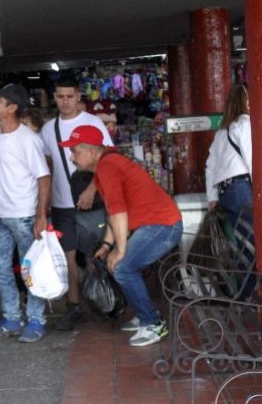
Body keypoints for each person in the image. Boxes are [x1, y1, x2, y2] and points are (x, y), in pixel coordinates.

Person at [60, 125, 182, 346]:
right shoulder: (102, 168)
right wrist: (108, 244)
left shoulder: (108, 166)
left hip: (163, 226)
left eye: (75, 151)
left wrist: (120, 250)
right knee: (121, 265)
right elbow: (113, 212)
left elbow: (118, 212)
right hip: (154, 225)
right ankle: (144, 313)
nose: (72, 157)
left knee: (123, 267)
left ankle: (153, 323)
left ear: (92, 151)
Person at [40, 77, 113, 331]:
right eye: (60, 96)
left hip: (91, 202)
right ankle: (74, 307)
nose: (65, 101)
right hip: (62, 204)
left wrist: (93, 189)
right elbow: (47, 167)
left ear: (79, 95)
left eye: (69, 96)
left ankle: (104, 300)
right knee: (68, 257)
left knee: (95, 254)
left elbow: (107, 159)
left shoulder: (92, 122)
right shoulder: (49, 129)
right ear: (54, 97)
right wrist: (46, 202)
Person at [0, 83, 52, 343]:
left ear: (12, 108)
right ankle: (12, 317)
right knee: (0, 267)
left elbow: (43, 178)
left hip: (24, 215)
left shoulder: (28, 139)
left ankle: (36, 320)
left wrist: (41, 216)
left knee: (30, 271)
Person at [205, 84, 252, 229]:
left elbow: (210, 166)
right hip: (242, 189)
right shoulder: (244, 124)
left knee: (238, 244)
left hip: (225, 193)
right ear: (246, 101)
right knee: (250, 241)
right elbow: (251, 158)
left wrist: (212, 198)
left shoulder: (221, 133)